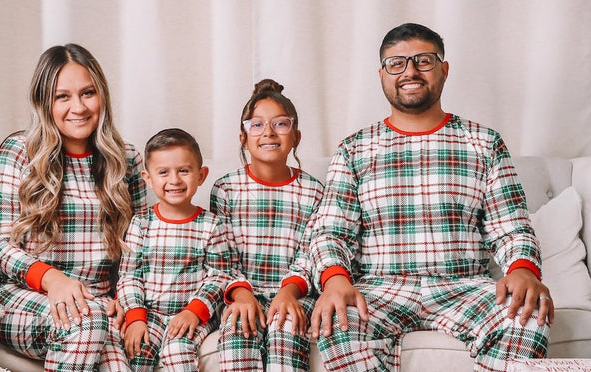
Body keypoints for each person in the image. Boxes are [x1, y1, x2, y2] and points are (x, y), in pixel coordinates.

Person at [307, 23, 553, 372]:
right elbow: (331, 231)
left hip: (464, 286)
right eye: (396, 63)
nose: (410, 71)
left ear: (444, 69)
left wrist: (523, 269)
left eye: (423, 60)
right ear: (382, 75)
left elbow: (511, 226)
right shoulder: (354, 149)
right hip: (380, 288)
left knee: (530, 312)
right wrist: (334, 279)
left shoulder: (484, 142)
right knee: (336, 323)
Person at [0, 43, 146, 371]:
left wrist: (123, 301)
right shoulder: (18, 152)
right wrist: (53, 280)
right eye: (62, 97)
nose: (79, 107)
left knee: (120, 361)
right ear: (44, 103)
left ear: (102, 97)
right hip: (20, 297)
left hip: (97, 304)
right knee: (87, 322)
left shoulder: (126, 160)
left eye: (88, 93)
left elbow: (137, 252)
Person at [212, 79, 324, 371]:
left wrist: (289, 292)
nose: (269, 133)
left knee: (286, 324)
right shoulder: (225, 189)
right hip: (242, 294)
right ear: (243, 137)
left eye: (281, 124)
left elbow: (311, 255)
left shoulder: (313, 191)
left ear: (296, 136)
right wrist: (241, 294)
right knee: (238, 329)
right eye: (257, 125)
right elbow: (221, 257)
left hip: (295, 293)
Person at [116, 128, 233, 371]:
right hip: (150, 313)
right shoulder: (141, 223)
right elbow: (129, 276)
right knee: (138, 351)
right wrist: (136, 317)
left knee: (177, 351)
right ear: (148, 179)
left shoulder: (212, 225)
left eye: (183, 170)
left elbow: (219, 276)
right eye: (163, 172)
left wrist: (195, 311)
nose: (175, 180)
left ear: (201, 175)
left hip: (193, 314)